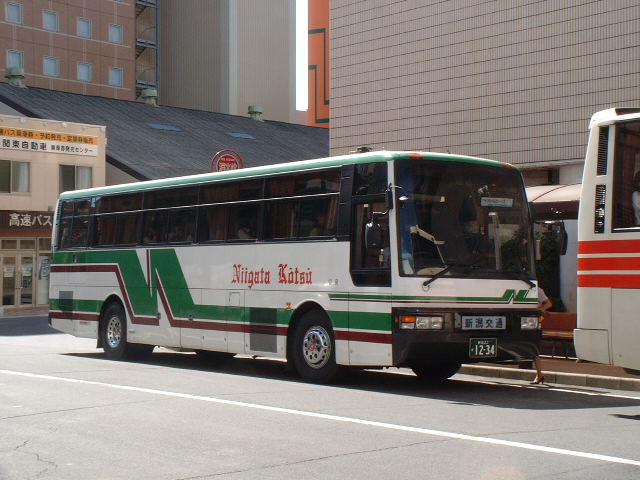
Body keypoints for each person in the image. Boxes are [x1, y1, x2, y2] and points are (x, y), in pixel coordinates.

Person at [531, 286, 552, 384]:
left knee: (534, 348)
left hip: (532, 321)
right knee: (533, 348)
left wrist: (538, 310)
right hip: (527, 320)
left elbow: (548, 304)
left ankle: (539, 375)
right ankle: (539, 375)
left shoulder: (538, 290)